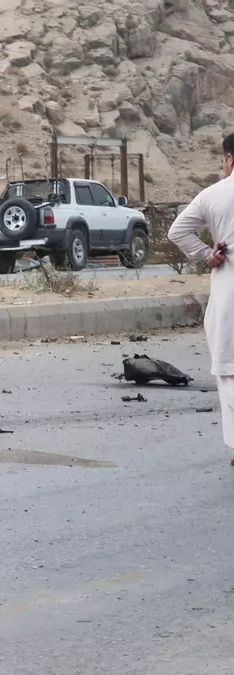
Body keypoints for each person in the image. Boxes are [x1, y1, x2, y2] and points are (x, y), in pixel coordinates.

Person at [169, 132, 234, 466]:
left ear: (230, 159)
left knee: (230, 370)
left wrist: (207, 254)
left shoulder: (213, 195)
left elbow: (177, 231)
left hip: (229, 294)